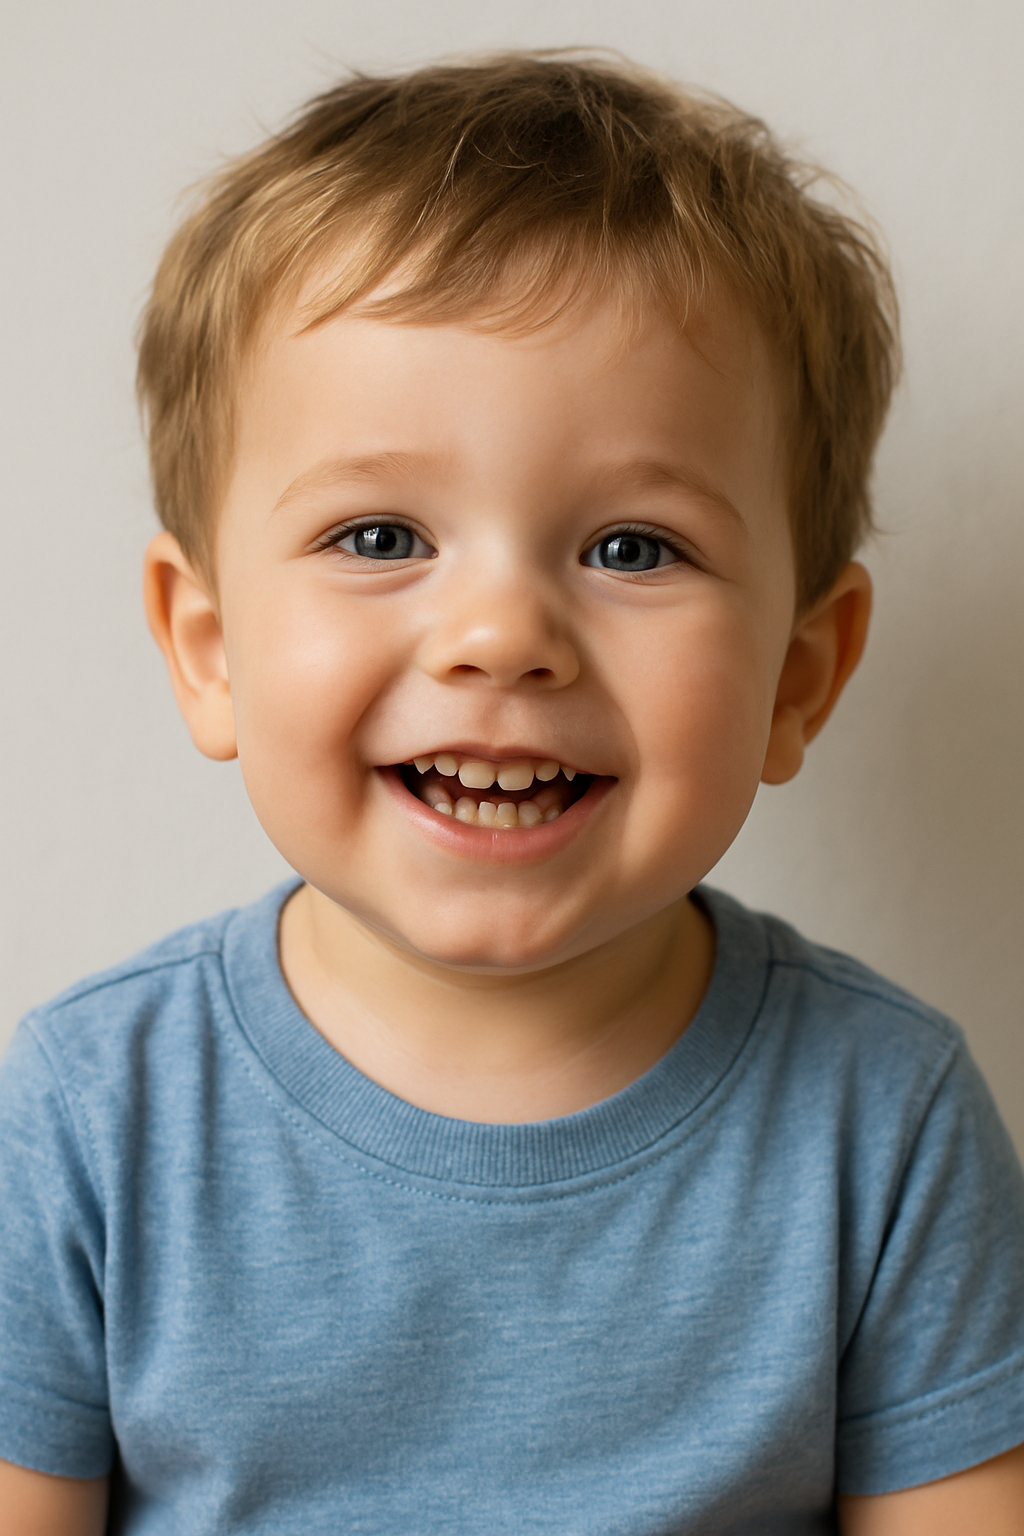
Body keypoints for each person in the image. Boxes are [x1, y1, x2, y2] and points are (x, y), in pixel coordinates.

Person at [1, 52, 1022, 1536]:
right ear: (208, 651)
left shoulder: (886, 1122)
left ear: (801, 674)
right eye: (378, 534)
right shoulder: (88, 1121)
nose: (500, 637)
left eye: (631, 549)